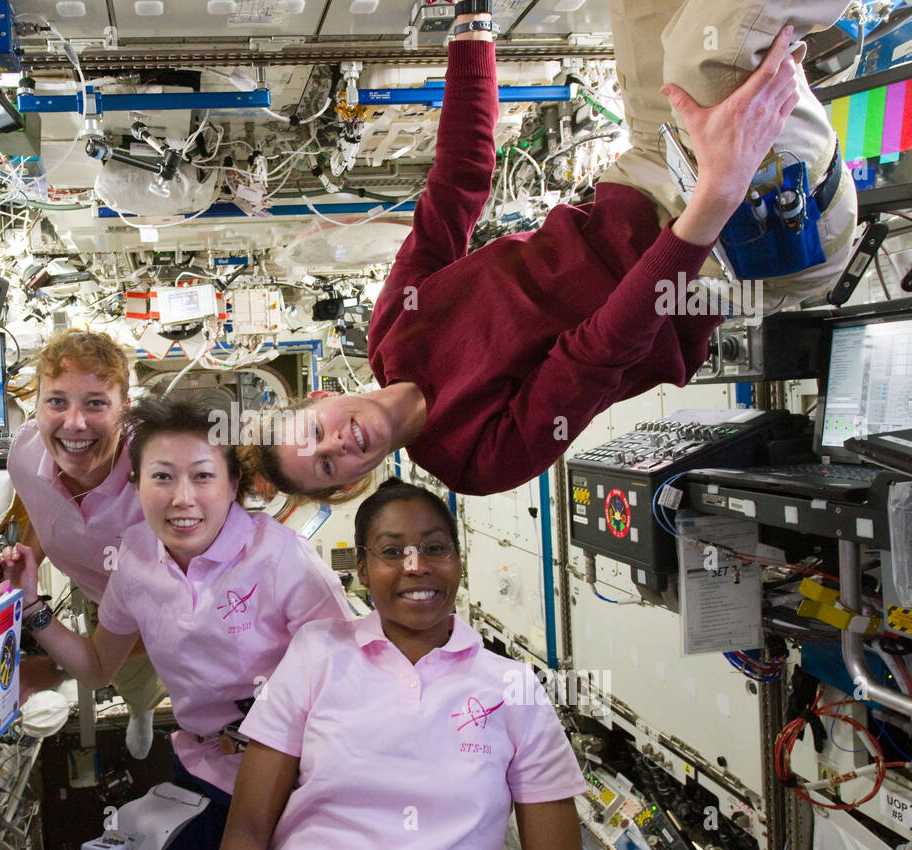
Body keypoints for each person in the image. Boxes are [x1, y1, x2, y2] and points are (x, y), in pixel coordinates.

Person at [255, 2, 857, 500]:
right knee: (718, 45)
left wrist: (472, 26)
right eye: (329, 467)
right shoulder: (473, 461)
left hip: (648, 172)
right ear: (354, 482)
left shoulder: (395, 328)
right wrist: (716, 195)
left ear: (322, 399)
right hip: (727, 250)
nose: (337, 446)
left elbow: (456, 186)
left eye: (315, 433)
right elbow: (599, 351)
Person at [23, 395, 354, 850]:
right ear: (136, 483)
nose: (183, 498)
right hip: (200, 769)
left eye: (203, 476)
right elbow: (97, 667)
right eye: (162, 476)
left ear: (233, 482)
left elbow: (351, 691)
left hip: (293, 780)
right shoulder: (136, 556)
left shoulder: (282, 560)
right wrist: (32, 606)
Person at [218, 477, 587, 850]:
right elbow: (244, 832)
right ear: (362, 569)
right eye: (393, 552)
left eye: (435, 548)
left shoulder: (515, 688)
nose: (416, 567)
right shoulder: (316, 653)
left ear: (459, 561)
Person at [0, 329, 166, 758]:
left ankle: (146, 708)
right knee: (126, 676)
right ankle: (138, 705)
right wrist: (25, 564)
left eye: (95, 403)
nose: (74, 423)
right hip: (96, 588)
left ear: (124, 411)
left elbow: (184, 611)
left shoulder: (161, 482)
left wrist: (59, 667)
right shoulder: (24, 453)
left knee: (152, 671)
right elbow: (38, 509)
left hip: (163, 607)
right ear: (36, 406)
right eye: (57, 401)